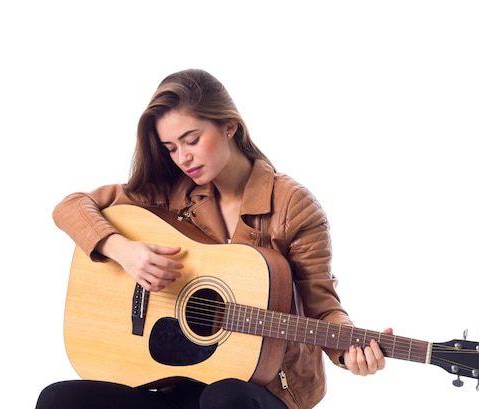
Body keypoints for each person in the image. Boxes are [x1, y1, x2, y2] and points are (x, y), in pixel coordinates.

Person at [36, 68, 392, 409]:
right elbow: (71, 207)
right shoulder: (173, 193)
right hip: (180, 381)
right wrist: (124, 251)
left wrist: (349, 351)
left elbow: (323, 305)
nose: (182, 158)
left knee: (225, 397)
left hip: (258, 390)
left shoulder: (292, 206)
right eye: (171, 147)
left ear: (229, 127)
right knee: (60, 400)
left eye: (191, 140)